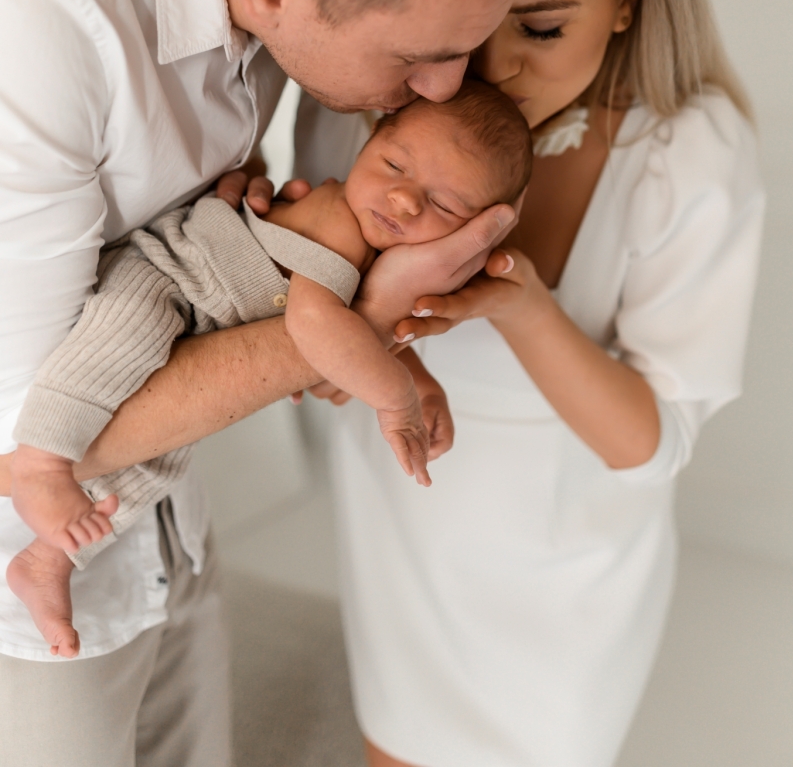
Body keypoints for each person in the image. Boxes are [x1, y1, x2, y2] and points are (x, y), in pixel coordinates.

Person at [0, 0, 590, 766]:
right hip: (30, 579)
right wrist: (364, 319)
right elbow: (36, 437)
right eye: (418, 57)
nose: (444, 88)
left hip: (165, 518)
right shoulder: (36, 19)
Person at [328, 0, 766, 767]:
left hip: (570, 589)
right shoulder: (377, 118)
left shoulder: (685, 156)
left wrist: (525, 308)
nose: (494, 69)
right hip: (403, 539)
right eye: (466, 24)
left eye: (540, 27)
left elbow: (650, 444)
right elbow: (312, 342)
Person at [9, 82, 531, 660]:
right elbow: (317, 324)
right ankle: (39, 461)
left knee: (160, 460)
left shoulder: (381, 248)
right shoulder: (340, 216)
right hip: (169, 278)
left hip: (202, 324)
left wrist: (421, 381)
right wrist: (397, 398)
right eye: (393, 165)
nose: (405, 199)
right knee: (119, 343)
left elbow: (353, 327)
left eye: (445, 206)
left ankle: (48, 557)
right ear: (367, 145)